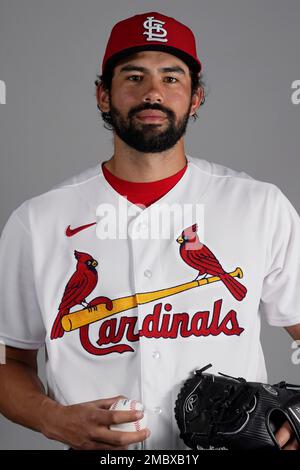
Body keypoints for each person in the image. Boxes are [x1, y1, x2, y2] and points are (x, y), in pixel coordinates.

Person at [0, 11, 300, 451]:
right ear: (104, 95)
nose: (153, 92)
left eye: (172, 78)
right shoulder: (39, 221)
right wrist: (53, 418)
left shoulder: (258, 206)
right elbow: (10, 360)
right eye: (134, 76)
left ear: (195, 98)